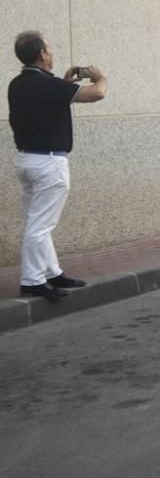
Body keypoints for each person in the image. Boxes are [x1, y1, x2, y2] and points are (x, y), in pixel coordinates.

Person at [9, 31, 106, 301]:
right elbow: (97, 93)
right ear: (41, 54)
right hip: (49, 163)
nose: (51, 53)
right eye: (49, 50)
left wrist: (64, 83)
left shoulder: (17, 84)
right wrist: (100, 77)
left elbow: (45, 103)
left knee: (37, 221)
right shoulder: (49, 87)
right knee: (40, 226)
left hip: (26, 161)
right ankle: (32, 280)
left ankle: (52, 272)